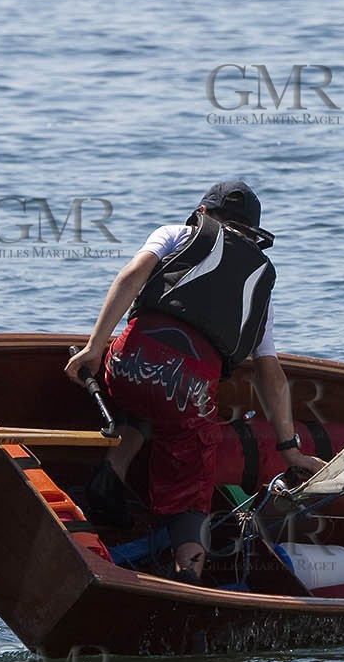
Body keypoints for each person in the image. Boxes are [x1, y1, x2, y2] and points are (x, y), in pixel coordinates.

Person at [63, 180, 321, 583]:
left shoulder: (175, 234)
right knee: (193, 487)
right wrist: (290, 451)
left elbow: (131, 276)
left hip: (127, 365)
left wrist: (95, 348)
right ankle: (189, 573)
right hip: (187, 392)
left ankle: (111, 472)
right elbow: (269, 371)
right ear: (253, 233)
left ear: (203, 214)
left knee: (144, 395)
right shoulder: (259, 285)